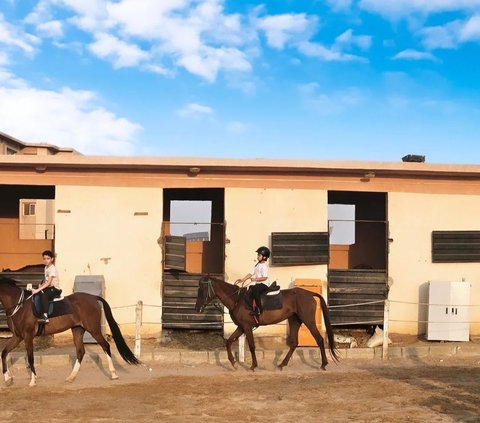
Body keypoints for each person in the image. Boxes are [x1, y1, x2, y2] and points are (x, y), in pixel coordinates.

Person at [236, 246, 271, 315]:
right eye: (257, 255)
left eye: (259, 255)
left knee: (255, 290)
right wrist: (242, 279)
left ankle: (259, 310)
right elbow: (251, 273)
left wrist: (255, 279)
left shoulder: (264, 266)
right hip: (258, 284)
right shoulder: (257, 265)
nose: (257, 257)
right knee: (250, 288)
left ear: (264, 257)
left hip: (264, 284)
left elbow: (265, 278)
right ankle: (252, 307)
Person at [32, 250, 60, 323]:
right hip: (49, 287)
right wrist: (41, 285)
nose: (46, 260)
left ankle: (45, 316)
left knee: (44, 295)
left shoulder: (52, 269)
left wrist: (38, 290)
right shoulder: (46, 268)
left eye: (48, 258)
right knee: (38, 294)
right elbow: (46, 280)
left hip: (55, 289)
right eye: (44, 259)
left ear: (52, 259)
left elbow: (49, 283)